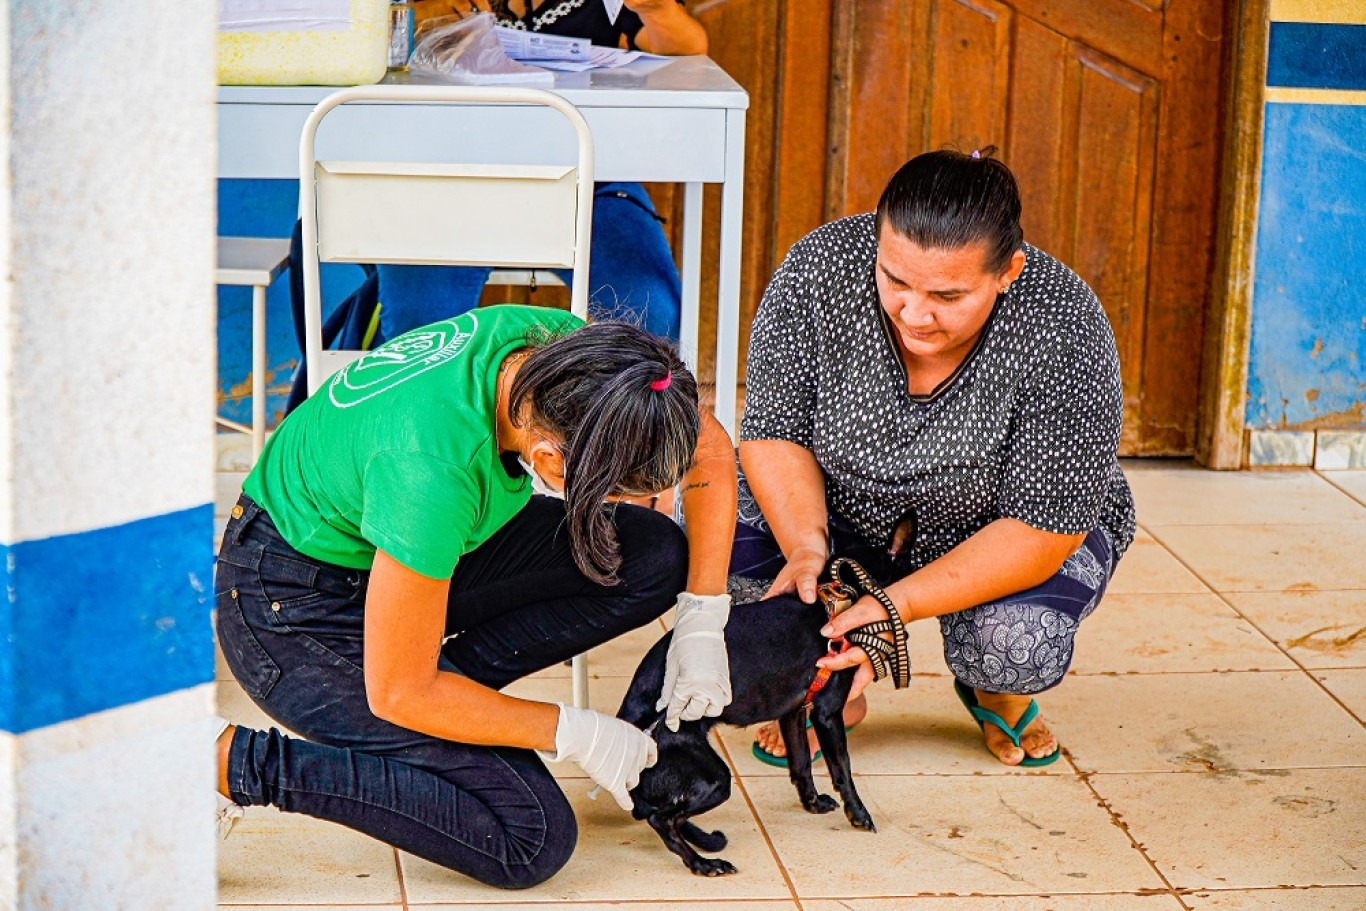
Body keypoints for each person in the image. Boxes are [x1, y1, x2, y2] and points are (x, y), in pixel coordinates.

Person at [215, 305, 738, 888]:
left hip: (399, 546)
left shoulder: (571, 361)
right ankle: (226, 761)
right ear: (549, 460)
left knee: (653, 555)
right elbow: (398, 690)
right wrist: (576, 733)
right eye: (613, 491)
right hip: (288, 604)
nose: (636, 502)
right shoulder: (432, 472)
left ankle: (440, 706)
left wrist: (702, 616)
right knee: (529, 838)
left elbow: (702, 439)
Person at [735, 149, 1136, 768]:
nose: (914, 314)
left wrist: (891, 611)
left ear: (1008, 272)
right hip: (845, 506)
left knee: (1015, 645)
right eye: (894, 280)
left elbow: (1042, 528)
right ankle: (833, 688)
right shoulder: (818, 269)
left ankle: (993, 689)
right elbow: (773, 430)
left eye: (947, 295)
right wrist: (809, 552)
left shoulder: (1064, 324)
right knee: (729, 557)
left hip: (993, 528)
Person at [374, 1, 710, 343]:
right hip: (448, 184)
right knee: (417, 338)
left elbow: (687, 50)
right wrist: (422, 17)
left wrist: (656, 10)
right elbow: (364, 33)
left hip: (584, 185)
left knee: (656, 316)